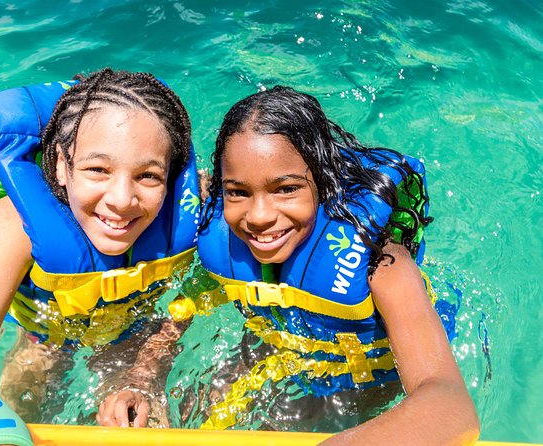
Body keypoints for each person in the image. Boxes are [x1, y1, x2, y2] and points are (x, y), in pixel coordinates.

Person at [0, 68, 199, 444]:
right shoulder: (13, 226)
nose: (122, 200)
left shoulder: (194, 209)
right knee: (23, 401)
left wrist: (146, 372)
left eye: (148, 176)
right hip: (46, 336)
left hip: (135, 334)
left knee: (146, 427)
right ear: (59, 162)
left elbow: (200, 294)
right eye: (97, 169)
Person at [192, 86, 480, 444]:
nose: (259, 216)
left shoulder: (384, 263)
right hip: (287, 344)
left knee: (283, 424)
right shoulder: (220, 225)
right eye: (238, 191)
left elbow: (450, 405)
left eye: (285, 189)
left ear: (324, 183)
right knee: (192, 407)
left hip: (365, 382)